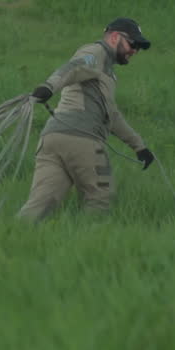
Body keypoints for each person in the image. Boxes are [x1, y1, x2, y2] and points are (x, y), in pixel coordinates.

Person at [16, 17, 155, 221]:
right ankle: (91, 246)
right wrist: (49, 87)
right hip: (82, 138)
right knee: (100, 198)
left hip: (52, 139)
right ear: (115, 37)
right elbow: (74, 67)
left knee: (40, 204)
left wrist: (139, 146)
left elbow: (112, 115)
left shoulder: (106, 71)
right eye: (133, 44)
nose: (135, 50)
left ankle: (11, 238)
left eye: (139, 47)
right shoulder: (95, 52)